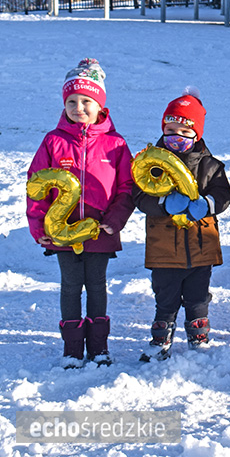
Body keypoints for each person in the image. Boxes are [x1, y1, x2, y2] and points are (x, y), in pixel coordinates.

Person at [26, 58, 134, 368]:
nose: (79, 107)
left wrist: (115, 220)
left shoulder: (115, 144)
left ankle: (99, 347)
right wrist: (38, 227)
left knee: (97, 285)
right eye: (72, 101)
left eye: (87, 101)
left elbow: (127, 188)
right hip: (61, 233)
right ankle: (72, 349)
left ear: (100, 104)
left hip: (99, 232)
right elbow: (36, 187)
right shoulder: (53, 142)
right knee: (71, 286)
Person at [133, 88, 230, 361]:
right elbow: (139, 196)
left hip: (202, 246)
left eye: (185, 133)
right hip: (163, 248)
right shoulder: (151, 163)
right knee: (165, 294)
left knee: (198, 295)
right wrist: (163, 203)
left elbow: (225, 196)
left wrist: (208, 205)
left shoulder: (211, 166)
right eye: (171, 131)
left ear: (197, 134)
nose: (177, 139)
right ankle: (161, 336)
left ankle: (198, 333)